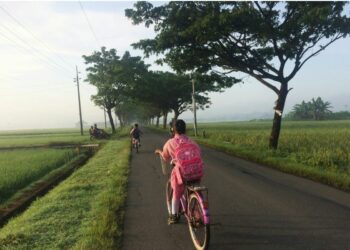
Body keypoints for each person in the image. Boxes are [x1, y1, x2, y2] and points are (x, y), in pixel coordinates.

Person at [155, 119, 204, 225]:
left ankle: (173, 216)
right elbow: (198, 153)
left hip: (182, 174)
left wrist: (159, 151)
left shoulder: (170, 143)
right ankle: (197, 211)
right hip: (196, 172)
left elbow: (165, 156)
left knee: (176, 194)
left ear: (172, 130)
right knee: (194, 189)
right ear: (185, 129)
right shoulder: (192, 141)